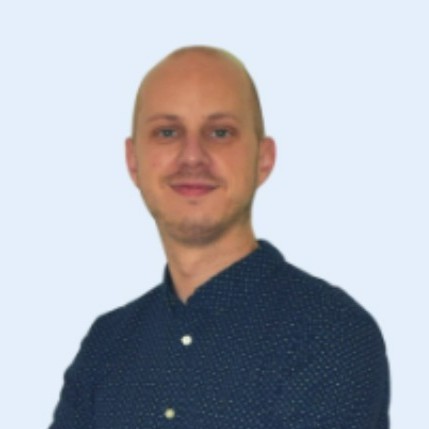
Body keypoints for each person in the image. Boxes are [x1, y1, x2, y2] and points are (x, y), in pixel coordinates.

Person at [49, 46, 389, 428]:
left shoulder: (331, 333)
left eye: (220, 132)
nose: (192, 156)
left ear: (263, 159)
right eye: (167, 132)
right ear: (133, 161)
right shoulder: (107, 345)